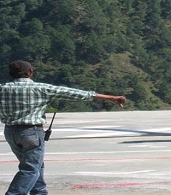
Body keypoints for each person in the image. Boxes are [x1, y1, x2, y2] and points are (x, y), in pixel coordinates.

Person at [0, 60, 127, 195]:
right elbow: (77, 94)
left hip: (10, 132)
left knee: (37, 165)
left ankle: (39, 192)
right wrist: (112, 98)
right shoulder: (41, 88)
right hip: (32, 133)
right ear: (30, 72)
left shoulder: (2, 89)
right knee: (30, 168)